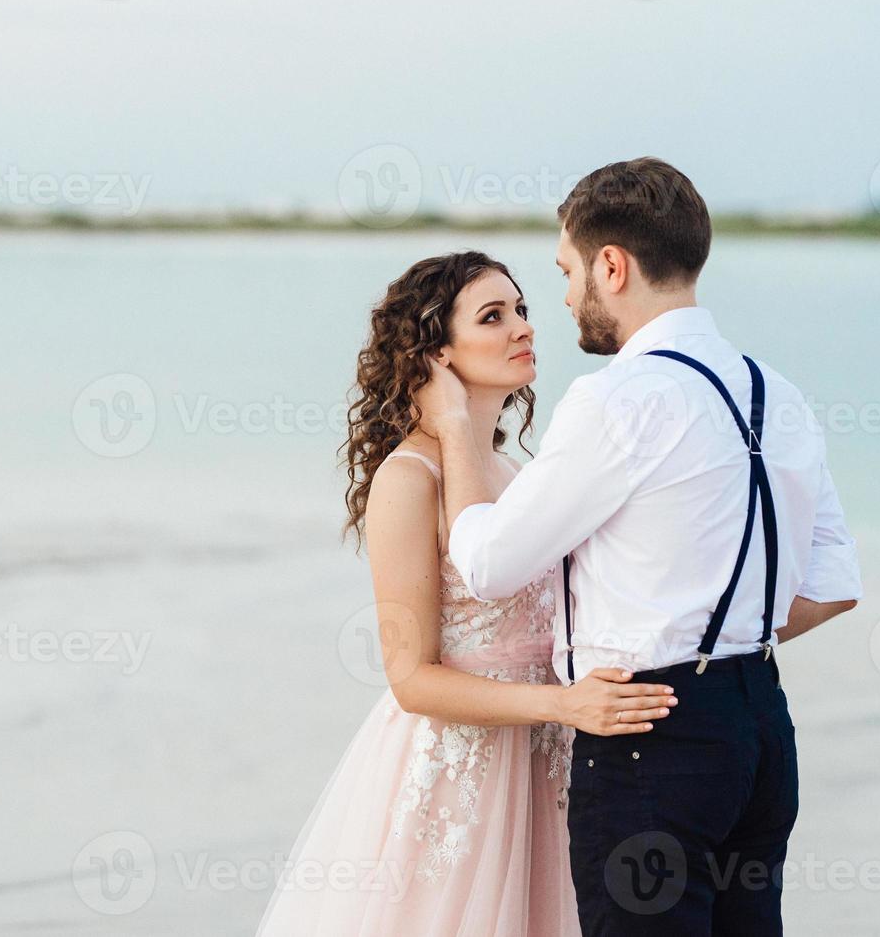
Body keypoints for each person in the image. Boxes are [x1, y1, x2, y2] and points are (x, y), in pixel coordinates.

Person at [415, 158, 864, 935]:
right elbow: (831, 587)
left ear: (611, 266)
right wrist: (719, 644)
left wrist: (455, 429)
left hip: (648, 736)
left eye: (566, 271)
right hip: (762, 733)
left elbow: (486, 564)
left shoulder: (617, 398)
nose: (560, 299)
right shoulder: (777, 392)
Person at [256, 250, 676, 937]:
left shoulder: (518, 470)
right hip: (461, 776)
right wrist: (561, 704)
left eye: (522, 310)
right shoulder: (408, 478)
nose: (522, 328)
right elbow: (411, 679)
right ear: (436, 354)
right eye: (492, 316)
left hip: (551, 766)